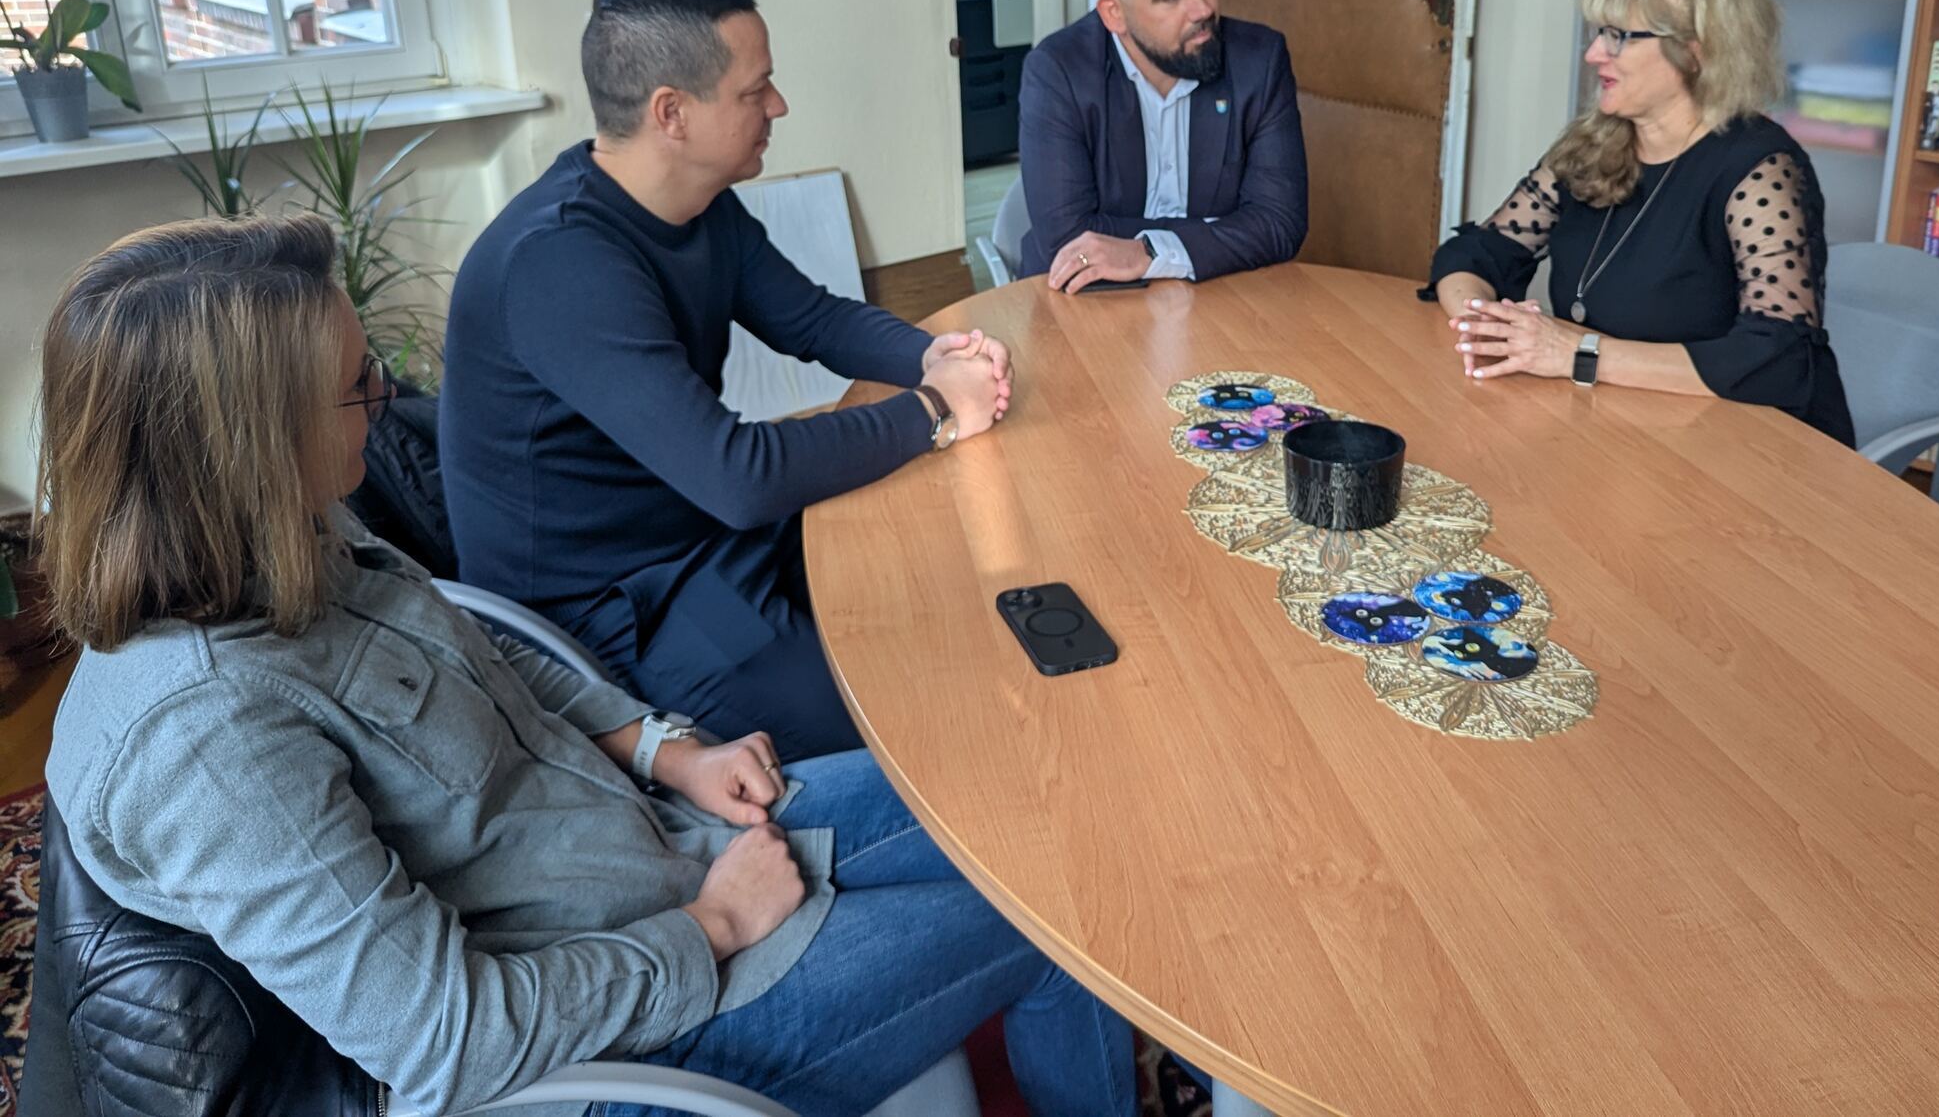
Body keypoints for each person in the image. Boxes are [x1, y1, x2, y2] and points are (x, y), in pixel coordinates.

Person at [39, 215, 1134, 1117]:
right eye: (356, 384)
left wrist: (666, 750)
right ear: (247, 445)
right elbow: (449, 1041)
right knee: (1070, 920)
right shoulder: (208, 742)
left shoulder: (279, 532)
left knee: (1030, 807)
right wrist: (713, 926)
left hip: (646, 846)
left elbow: (484, 650)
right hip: (628, 1032)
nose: (388, 396)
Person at [439, 0, 1011, 761]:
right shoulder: (560, 264)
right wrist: (933, 409)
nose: (778, 105)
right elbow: (738, 475)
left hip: (699, 527)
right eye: (755, 89)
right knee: (908, 716)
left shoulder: (698, 202)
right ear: (671, 112)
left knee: (953, 583)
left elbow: (811, 318)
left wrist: (931, 354)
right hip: (614, 603)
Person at [1430, 0, 1854, 445]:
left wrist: (1577, 353)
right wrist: (1484, 323)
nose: (1593, 54)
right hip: (1618, 428)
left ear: (1696, 50)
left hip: (1746, 449)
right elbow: (1477, 253)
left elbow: (1772, 358)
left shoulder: (1762, 169)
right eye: (1598, 33)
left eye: (1618, 36)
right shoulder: (1593, 144)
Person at [1017, 0, 1307, 292]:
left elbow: (1279, 223)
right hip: (1087, 299)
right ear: (1114, 14)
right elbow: (1067, 240)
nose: (1203, 8)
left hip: (1214, 295)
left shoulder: (1259, 60)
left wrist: (1150, 252)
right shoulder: (1057, 72)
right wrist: (1219, 234)